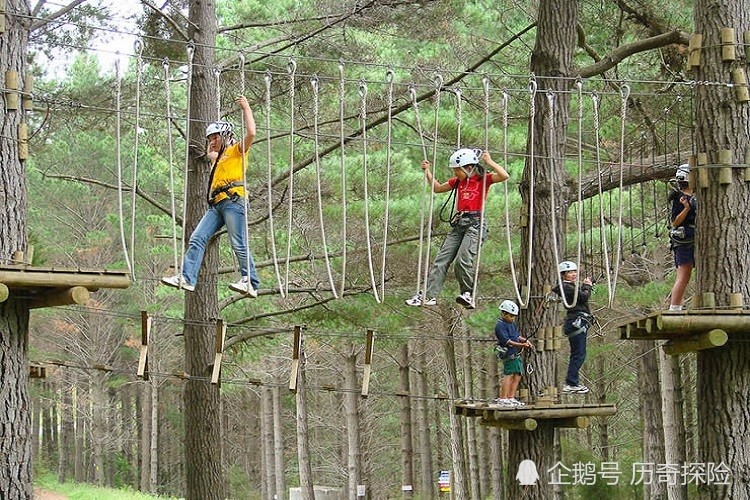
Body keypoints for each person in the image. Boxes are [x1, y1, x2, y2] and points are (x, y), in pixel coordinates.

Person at [162, 96, 260, 296]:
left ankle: (250, 281)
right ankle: (188, 278)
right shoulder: (219, 157)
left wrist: (246, 108)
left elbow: (251, 132)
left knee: (238, 242)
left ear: (226, 136)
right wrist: (214, 140)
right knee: (197, 238)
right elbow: (210, 155)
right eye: (210, 139)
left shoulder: (237, 151)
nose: (212, 142)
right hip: (217, 205)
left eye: (215, 138)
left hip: (234, 200)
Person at [405, 148, 510, 309]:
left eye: (457, 170)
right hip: (459, 224)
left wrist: (489, 162)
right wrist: (427, 172)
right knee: (441, 261)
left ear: (468, 168)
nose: (455, 173)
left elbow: (504, 176)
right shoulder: (458, 182)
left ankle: (468, 293)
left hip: (475, 224)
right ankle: (428, 296)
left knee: (462, 260)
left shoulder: (483, 180)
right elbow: (438, 188)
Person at [553, 261, 593, 394]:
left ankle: (572, 382)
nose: (574, 274)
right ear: (563, 275)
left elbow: (580, 296)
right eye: (570, 272)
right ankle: (571, 382)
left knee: (579, 354)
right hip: (576, 322)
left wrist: (584, 286)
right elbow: (583, 297)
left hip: (578, 321)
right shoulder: (566, 287)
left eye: (575, 271)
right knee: (579, 354)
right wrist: (587, 286)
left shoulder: (570, 287)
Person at [668, 164, 696, 311]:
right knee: (683, 276)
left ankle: (678, 305)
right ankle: (675, 308)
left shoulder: (696, 196)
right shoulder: (681, 198)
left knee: (687, 276)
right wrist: (686, 208)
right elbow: (675, 222)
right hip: (684, 242)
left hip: (695, 240)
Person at [494, 299, 532, 407]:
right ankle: (503, 398)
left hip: (515, 354)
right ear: (504, 313)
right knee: (509, 375)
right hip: (508, 353)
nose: (512, 318)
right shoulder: (500, 326)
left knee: (517, 375)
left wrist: (525, 340)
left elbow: (516, 336)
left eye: (513, 316)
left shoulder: (511, 324)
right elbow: (508, 341)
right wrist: (522, 345)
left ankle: (511, 397)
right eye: (511, 316)